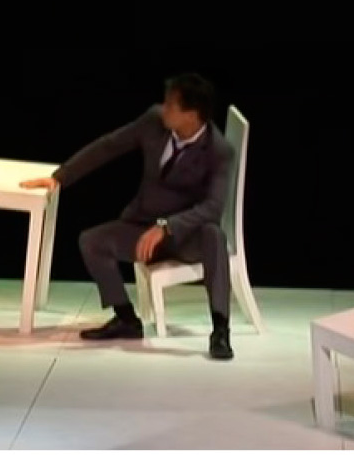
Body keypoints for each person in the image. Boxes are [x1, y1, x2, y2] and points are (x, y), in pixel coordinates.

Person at [21, 73, 239, 361]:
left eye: (171, 105)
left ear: (192, 114)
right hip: (143, 225)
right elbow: (109, 145)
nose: (164, 108)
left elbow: (213, 207)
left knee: (214, 235)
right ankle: (126, 318)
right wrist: (60, 177)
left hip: (186, 236)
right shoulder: (154, 121)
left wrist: (167, 227)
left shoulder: (219, 150)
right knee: (92, 241)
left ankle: (220, 329)